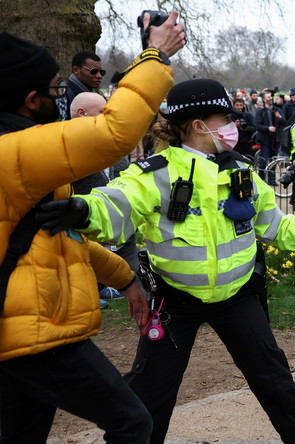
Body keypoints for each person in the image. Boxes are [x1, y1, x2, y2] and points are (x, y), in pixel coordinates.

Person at [38, 78, 295, 444]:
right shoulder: (156, 174)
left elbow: (272, 225)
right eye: (225, 118)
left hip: (238, 297)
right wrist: (82, 209)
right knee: (150, 397)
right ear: (200, 125)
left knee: (277, 384)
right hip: (175, 300)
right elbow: (115, 204)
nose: (234, 126)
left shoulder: (240, 170)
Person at [0, 13, 185, 443]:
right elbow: (113, 133)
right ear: (30, 99)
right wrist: (154, 56)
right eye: (53, 91)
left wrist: (125, 279)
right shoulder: (14, 150)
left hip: (22, 327)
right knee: (132, 422)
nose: (60, 100)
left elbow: (53, 238)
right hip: (36, 333)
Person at [70, 92, 138, 308]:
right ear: (81, 113)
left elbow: (127, 176)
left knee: (137, 282)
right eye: (102, 112)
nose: (107, 117)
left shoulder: (112, 142)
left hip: (123, 230)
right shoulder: (63, 147)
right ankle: (92, 291)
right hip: (85, 229)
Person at [64, 51, 105, 119]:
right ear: (76, 70)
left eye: (101, 72)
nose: (99, 76)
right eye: (93, 71)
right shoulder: (65, 95)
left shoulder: (94, 94)